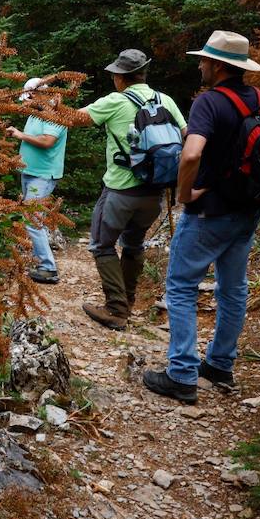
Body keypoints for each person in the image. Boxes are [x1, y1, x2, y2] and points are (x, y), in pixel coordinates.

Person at [143, 31, 260, 405]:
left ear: (218, 65)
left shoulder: (209, 103)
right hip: (247, 211)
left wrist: (185, 195)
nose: (200, 65)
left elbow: (190, 156)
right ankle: (219, 365)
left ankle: (182, 375)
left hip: (209, 213)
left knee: (182, 287)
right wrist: (256, 179)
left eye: (203, 60)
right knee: (233, 289)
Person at [78, 49, 185, 329]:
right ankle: (128, 302)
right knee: (134, 244)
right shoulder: (166, 100)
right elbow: (186, 137)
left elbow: (73, 120)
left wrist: (48, 104)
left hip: (120, 191)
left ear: (120, 77)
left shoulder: (115, 101)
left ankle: (115, 309)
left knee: (102, 244)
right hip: (154, 193)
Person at [6, 77, 68, 284]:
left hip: (43, 175)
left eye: (30, 96)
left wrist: (20, 135)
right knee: (32, 219)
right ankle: (39, 261)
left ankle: (48, 269)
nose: (27, 101)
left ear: (40, 94)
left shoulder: (55, 115)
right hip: (29, 172)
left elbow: (47, 141)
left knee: (32, 221)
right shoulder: (35, 113)